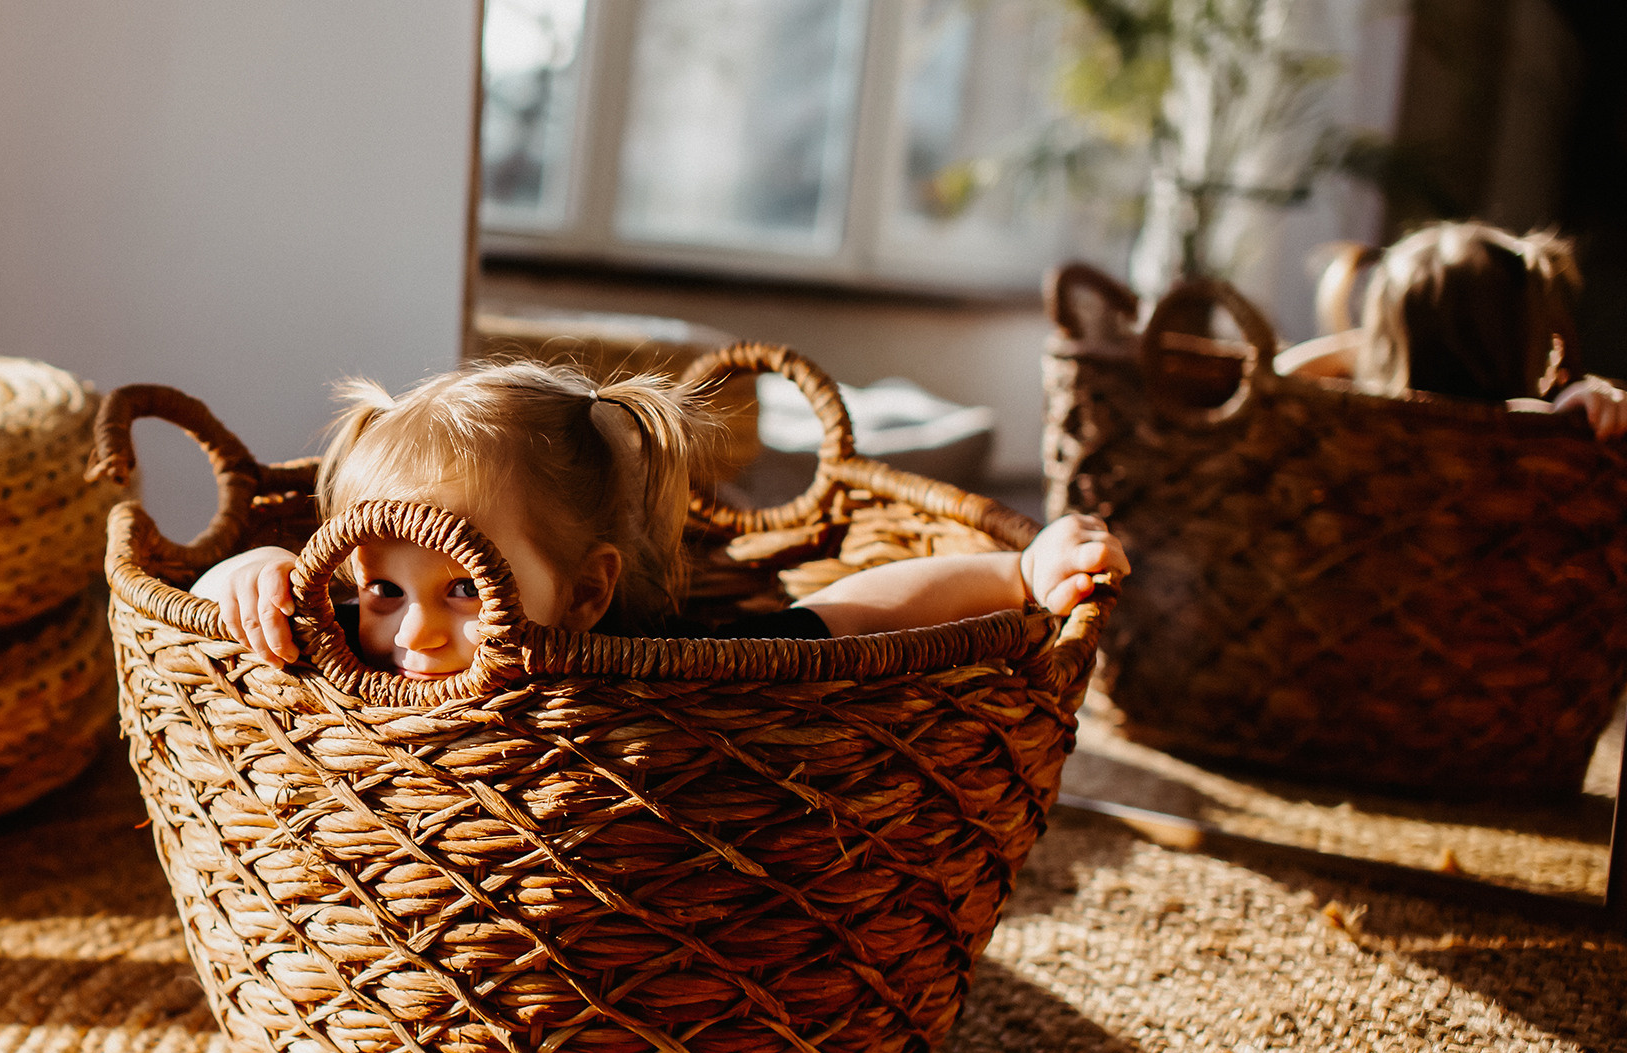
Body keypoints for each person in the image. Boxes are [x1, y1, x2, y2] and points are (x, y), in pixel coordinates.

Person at [192, 362, 1126, 678]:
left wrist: (1017, 572)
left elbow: (869, 609)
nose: (418, 627)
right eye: (385, 588)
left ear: (588, 591)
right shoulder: (357, 641)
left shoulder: (669, 673)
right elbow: (198, 619)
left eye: (468, 586)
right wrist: (247, 574)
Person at [1290, 222, 1626, 438]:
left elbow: (1278, 379)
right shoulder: (1519, 424)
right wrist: (1581, 400)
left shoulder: (1360, 424)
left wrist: (1366, 345)